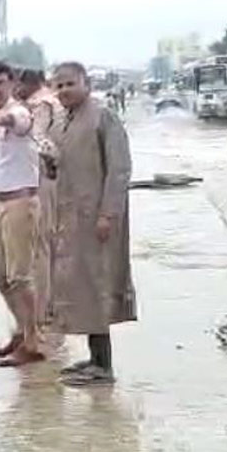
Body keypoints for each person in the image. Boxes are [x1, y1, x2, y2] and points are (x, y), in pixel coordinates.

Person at [49, 61, 136, 387]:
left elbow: (120, 170)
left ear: (85, 83)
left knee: (98, 286)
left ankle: (104, 366)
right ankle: (94, 358)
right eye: (58, 86)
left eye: (70, 84)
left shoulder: (103, 117)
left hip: (98, 221)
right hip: (70, 220)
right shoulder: (61, 123)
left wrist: (108, 215)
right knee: (80, 289)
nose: (63, 91)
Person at [0, 60, 44, 368]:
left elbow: (18, 121)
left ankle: (32, 341)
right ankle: (21, 331)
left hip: (20, 202)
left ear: (11, 84)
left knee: (20, 276)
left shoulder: (19, 112)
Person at [15, 68, 61, 343]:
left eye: (18, 84)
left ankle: (42, 311)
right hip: (54, 176)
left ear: (29, 83)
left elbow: (40, 142)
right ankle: (51, 305)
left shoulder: (40, 105)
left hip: (43, 176)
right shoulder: (53, 101)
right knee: (50, 242)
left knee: (41, 245)